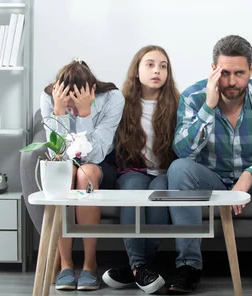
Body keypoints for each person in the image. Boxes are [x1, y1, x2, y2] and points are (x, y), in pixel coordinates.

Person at [166, 35, 252, 295]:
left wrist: (250, 174)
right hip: (212, 178)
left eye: (240, 73)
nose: (232, 82)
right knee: (178, 169)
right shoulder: (194, 97)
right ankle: (188, 265)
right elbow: (183, 151)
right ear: (213, 70)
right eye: (225, 73)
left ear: (251, 70)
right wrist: (208, 107)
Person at [40, 58, 124, 291]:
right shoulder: (49, 98)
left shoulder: (112, 98)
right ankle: (66, 264)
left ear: (91, 92)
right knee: (64, 175)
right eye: (69, 107)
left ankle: (89, 263)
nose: (72, 112)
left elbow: (94, 155)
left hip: (99, 165)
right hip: (65, 164)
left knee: (84, 174)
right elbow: (57, 152)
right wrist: (58, 112)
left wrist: (86, 113)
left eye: (75, 106)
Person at [102, 46, 180, 294]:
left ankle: (135, 269)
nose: (157, 70)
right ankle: (140, 268)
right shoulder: (121, 103)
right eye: (150, 64)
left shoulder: (178, 103)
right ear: (136, 70)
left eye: (163, 66)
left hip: (165, 171)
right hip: (133, 169)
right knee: (134, 191)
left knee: (158, 196)